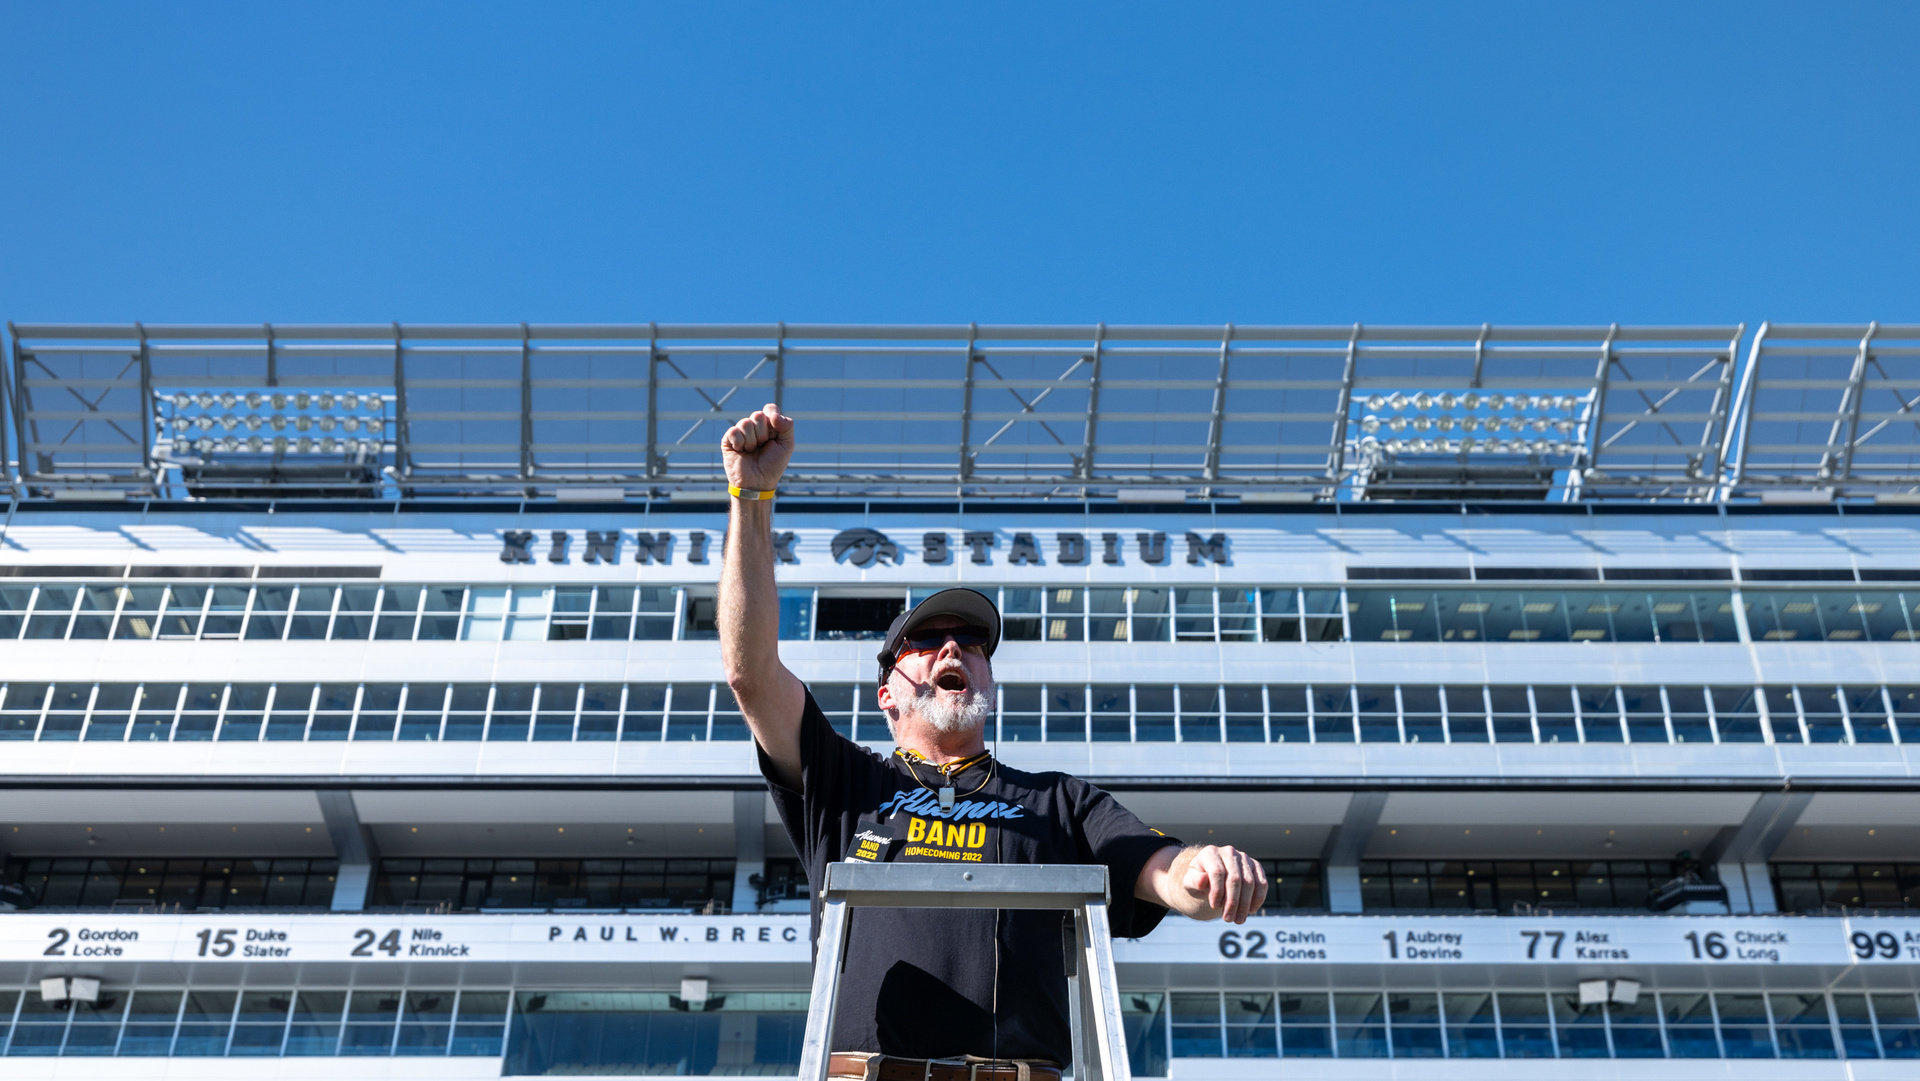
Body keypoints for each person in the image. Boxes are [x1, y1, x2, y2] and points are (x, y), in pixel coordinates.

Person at [718, 402, 1268, 1081]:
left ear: (989, 680)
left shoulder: (1060, 801)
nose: (954, 646)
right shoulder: (845, 782)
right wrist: (750, 496)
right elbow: (750, 671)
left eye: (973, 642)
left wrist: (1205, 868)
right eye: (925, 640)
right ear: (886, 693)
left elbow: (1160, 870)